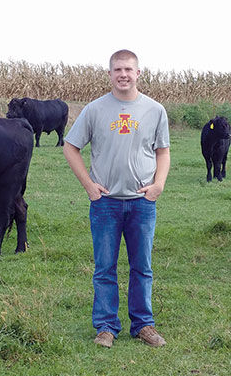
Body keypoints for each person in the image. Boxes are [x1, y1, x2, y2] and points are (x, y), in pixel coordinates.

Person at [63, 49, 171, 348]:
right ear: (109, 74)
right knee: (105, 267)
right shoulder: (95, 110)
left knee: (142, 266)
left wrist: (158, 185)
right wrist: (89, 185)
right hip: (106, 203)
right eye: (117, 70)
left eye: (128, 69)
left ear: (139, 73)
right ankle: (106, 327)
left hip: (142, 203)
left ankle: (143, 325)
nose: (123, 75)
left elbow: (162, 151)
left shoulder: (154, 110)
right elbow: (71, 146)